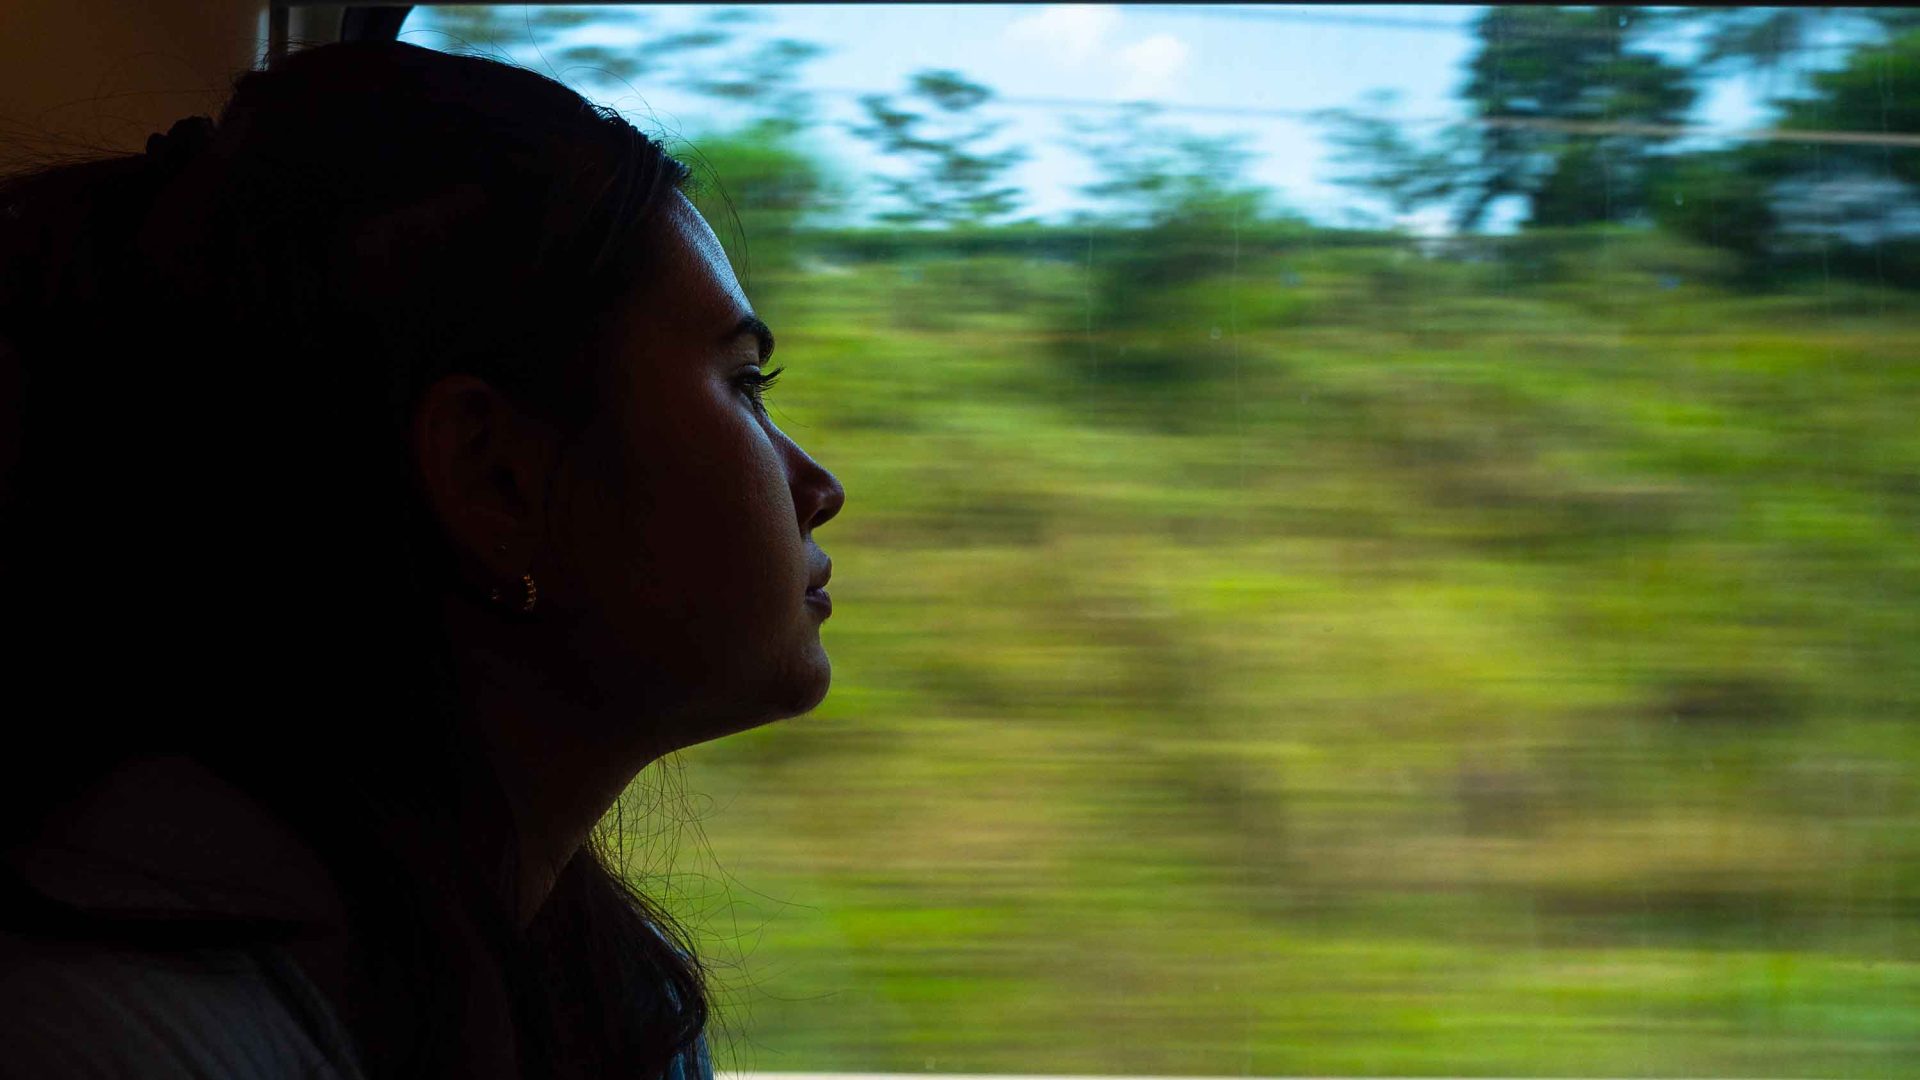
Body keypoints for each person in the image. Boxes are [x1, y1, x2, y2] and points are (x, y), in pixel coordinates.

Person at [0, 38, 844, 1079]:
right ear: (495, 479)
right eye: (744, 385)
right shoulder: (106, 1036)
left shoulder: (600, 991)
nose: (818, 485)